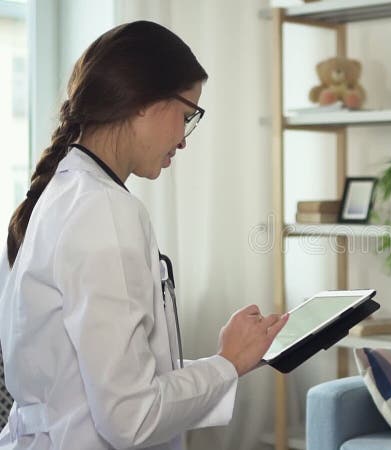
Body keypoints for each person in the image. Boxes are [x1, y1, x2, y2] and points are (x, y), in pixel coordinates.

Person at [0, 21, 288, 449]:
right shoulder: (104, 209)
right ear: (142, 102)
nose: (184, 140)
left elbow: (104, 385)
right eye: (187, 116)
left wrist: (232, 361)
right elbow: (130, 417)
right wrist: (226, 363)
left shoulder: (67, 191)